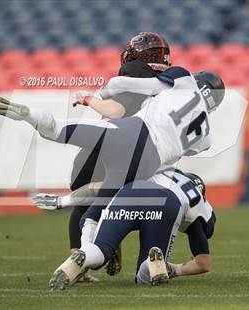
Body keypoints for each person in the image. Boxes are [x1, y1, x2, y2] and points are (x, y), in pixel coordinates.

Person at [0, 67, 224, 254]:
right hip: (147, 162)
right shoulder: (207, 138)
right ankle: (85, 256)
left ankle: (30, 115)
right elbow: (186, 145)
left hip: (130, 131)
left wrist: (99, 94)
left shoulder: (183, 79)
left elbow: (121, 82)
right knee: (96, 212)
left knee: (58, 129)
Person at [68, 32, 171, 278]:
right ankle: (145, 257)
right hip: (141, 151)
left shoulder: (136, 75)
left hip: (112, 147)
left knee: (85, 204)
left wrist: (90, 99)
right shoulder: (167, 82)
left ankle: (85, 258)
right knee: (153, 203)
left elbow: (116, 111)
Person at [45, 169, 216, 289]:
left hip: (131, 191)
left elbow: (102, 187)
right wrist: (174, 269)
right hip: (166, 202)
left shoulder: (164, 168)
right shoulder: (200, 204)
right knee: (144, 279)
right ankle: (152, 262)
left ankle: (85, 254)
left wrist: (90, 224)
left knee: (99, 249)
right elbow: (204, 264)